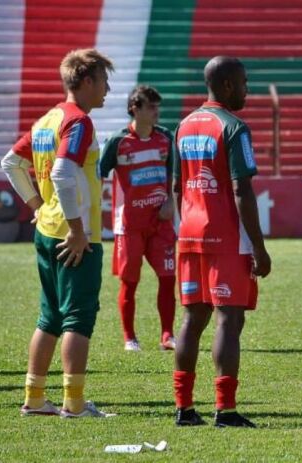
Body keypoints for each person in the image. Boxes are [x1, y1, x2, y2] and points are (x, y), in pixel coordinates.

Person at [1, 48, 114, 418]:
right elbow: (64, 172)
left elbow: (11, 162)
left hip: (48, 231)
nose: (107, 89)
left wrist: (38, 206)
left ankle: (34, 398)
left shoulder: (48, 119)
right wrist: (79, 230)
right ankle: (75, 404)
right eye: (103, 81)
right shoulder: (78, 121)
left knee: (49, 317)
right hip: (74, 237)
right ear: (86, 81)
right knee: (77, 318)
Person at [172, 56, 271, 427]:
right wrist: (259, 248)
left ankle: (184, 408)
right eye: (244, 82)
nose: (248, 89)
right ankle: (225, 410)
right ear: (227, 85)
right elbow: (242, 189)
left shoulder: (182, 126)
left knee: (193, 318)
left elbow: (178, 186)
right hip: (225, 236)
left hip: (190, 233)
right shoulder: (233, 127)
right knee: (229, 319)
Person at [99, 85, 176, 352]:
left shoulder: (166, 137)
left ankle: (167, 335)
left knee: (168, 277)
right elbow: (98, 174)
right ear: (135, 108)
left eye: (157, 106)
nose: (157, 112)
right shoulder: (118, 142)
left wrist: (170, 202)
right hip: (129, 225)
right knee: (130, 282)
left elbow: (173, 175)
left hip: (161, 222)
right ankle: (129, 338)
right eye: (151, 106)